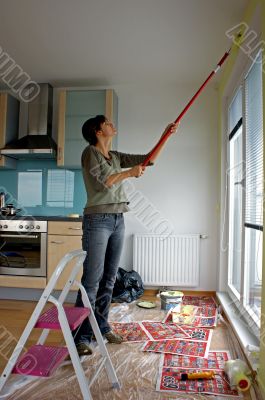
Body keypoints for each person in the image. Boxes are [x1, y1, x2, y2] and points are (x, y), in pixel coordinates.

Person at [74, 114, 178, 355]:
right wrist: (129, 174)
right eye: (107, 123)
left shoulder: (116, 156)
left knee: (110, 279)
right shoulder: (90, 152)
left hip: (118, 218)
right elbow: (104, 182)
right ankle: (80, 337)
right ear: (98, 131)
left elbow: (147, 160)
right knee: (92, 280)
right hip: (97, 219)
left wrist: (165, 136)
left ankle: (101, 326)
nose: (112, 125)